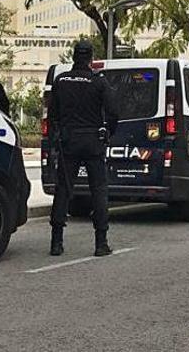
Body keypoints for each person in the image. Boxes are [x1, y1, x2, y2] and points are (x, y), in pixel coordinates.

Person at [48, 41, 118, 257]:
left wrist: (55, 139)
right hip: (92, 141)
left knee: (63, 190)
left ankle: (56, 243)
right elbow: (113, 111)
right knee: (98, 190)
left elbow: (52, 114)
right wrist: (108, 132)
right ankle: (100, 242)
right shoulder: (98, 82)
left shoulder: (61, 81)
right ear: (90, 59)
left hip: (68, 141)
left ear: (73, 56)